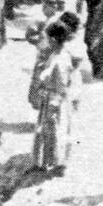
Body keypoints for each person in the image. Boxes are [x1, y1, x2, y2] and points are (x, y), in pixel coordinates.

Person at [30, 20, 75, 175]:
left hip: (55, 98)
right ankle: (49, 161)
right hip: (55, 97)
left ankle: (55, 163)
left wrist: (46, 88)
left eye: (49, 39)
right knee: (52, 129)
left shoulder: (60, 59)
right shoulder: (60, 54)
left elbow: (60, 81)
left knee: (54, 131)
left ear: (54, 40)